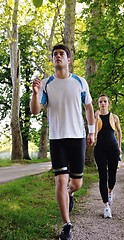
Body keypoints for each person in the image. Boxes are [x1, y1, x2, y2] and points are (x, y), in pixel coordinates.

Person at [30, 44, 95, 240]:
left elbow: (89, 108)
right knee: (60, 180)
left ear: (68, 59)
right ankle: (67, 225)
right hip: (57, 138)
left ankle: (70, 195)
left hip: (78, 137)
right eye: (55, 54)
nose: (58, 56)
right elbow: (35, 110)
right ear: (52, 60)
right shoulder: (47, 84)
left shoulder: (80, 82)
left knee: (76, 184)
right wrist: (35, 93)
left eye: (62, 54)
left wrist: (91, 132)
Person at [94, 94, 122, 219]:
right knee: (102, 177)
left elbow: (119, 131)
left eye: (105, 101)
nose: (103, 104)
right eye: (100, 102)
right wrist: (95, 118)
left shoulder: (114, 117)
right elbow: (93, 132)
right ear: (98, 104)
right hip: (99, 150)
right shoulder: (96, 117)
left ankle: (110, 192)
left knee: (112, 177)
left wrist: (120, 147)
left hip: (113, 150)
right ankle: (106, 206)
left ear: (108, 103)